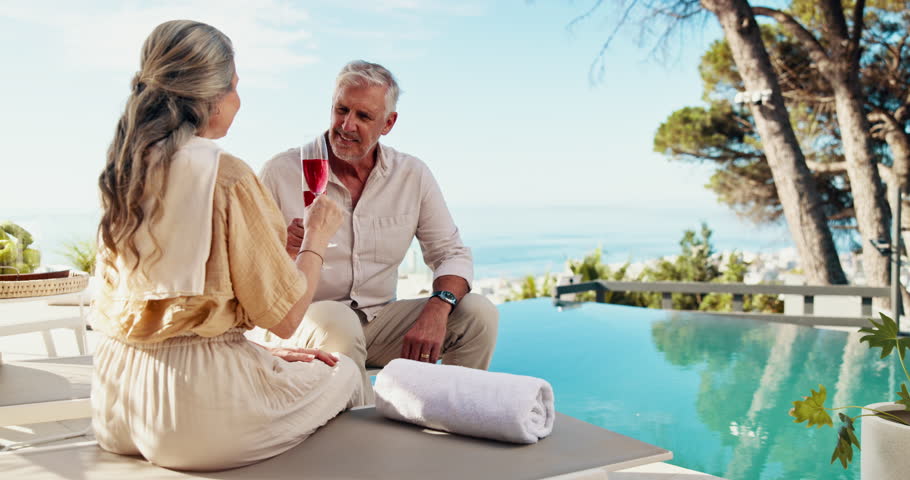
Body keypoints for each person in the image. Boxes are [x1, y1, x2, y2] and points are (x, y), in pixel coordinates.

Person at [90, 20, 362, 471]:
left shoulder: (124, 172)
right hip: (192, 415)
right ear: (209, 97)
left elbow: (161, 320)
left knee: (285, 363)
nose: (240, 99)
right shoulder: (226, 176)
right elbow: (288, 316)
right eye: (234, 86)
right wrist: (317, 235)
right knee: (346, 372)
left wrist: (254, 352)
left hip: (117, 401)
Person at [259, 61, 499, 401]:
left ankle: (452, 416)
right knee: (337, 320)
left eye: (363, 116)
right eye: (341, 109)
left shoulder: (412, 175)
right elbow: (247, 268)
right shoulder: (281, 171)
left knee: (478, 314)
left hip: (377, 322)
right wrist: (280, 250)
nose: (346, 125)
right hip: (306, 323)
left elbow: (451, 253)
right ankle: (363, 440)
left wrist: (438, 306)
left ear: (388, 123)